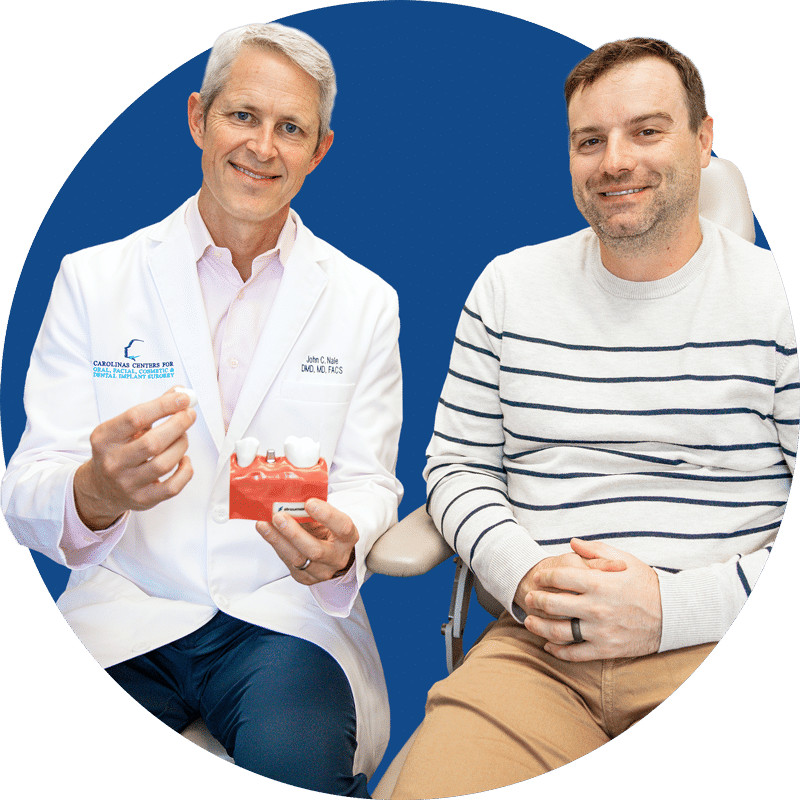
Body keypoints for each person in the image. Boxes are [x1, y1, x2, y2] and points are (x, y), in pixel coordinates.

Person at [1, 22, 402, 797]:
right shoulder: (95, 281)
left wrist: (343, 541)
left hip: (282, 619)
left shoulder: (364, 302)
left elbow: (368, 482)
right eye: (242, 116)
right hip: (128, 608)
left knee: (298, 767)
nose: (262, 146)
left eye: (292, 129)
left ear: (319, 151)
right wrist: (95, 490)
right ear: (198, 118)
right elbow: (25, 488)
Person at [390, 37, 797, 798]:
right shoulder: (508, 289)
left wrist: (669, 609)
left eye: (647, 130)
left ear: (703, 140)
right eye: (590, 140)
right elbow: (455, 468)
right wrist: (525, 575)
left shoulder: (776, 302)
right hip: (539, 652)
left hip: (720, 640)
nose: (615, 161)